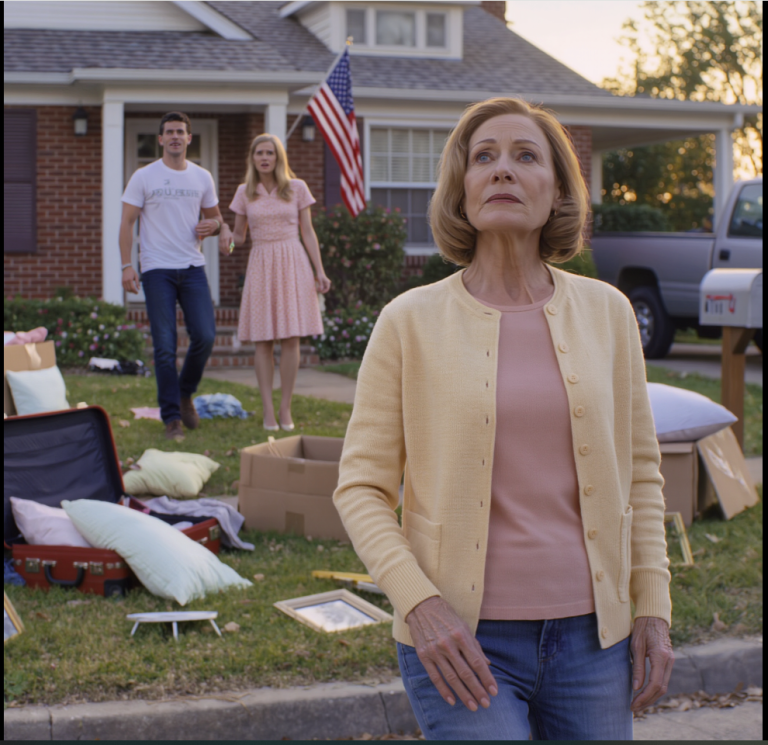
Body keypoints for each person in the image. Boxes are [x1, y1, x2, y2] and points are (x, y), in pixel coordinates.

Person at [333, 97, 674, 741]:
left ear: (557, 190)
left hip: (594, 641)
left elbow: (643, 474)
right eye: (483, 158)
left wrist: (651, 606)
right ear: (462, 190)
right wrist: (420, 604)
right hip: (461, 640)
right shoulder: (408, 322)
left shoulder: (608, 313)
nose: (502, 171)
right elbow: (362, 488)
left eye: (525, 157)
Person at [119, 112, 229, 441]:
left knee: (206, 336)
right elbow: (126, 223)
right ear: (161, 139)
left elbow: (218, 221)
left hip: (193, 268)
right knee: (165, 346)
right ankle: (172, 419)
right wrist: (127, 265)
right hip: (157, 270)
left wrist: (217, 228)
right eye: (169, 132)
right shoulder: (144, 176)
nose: (175, 137)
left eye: (181, 131)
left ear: (189, 138)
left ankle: (184, 393)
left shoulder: (202, 177)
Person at [219, 134, 331, 432]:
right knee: (263, 340)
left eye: (270, 153)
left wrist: (320, 270)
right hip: (261, 263)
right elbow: (239, 239)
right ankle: (268, 410)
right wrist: (227, 240)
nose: (265, 158)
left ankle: (285, 408)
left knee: (291, 338)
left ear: (279, 158)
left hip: (293, 261)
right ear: (253, 158)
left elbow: (307, 232)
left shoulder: (296, 188)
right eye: (259, 153)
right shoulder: (245, 192)